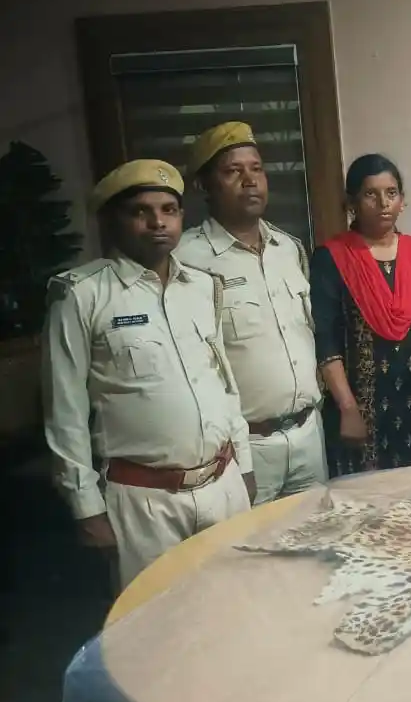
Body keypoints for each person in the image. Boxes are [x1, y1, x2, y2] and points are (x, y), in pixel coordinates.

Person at [42, 160, 253, 588]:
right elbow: (64, 413)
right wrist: (86, 506)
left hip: (222, 483)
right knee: (156, 618)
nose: (158, 222)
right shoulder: (82, 295)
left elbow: (222, 383)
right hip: (144, 501)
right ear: (112, 221)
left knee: (237, 604)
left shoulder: (203, 287)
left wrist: (244, 464)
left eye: (169, 210)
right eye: (141, 211)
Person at [176, 121, 326, 504]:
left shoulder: (288, 248)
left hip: (308, 434)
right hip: (245, 449)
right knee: (253, 542)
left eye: (256, 169)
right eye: (233, 171)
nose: (250, 180)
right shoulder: (186, 260)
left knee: (317, 536)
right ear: (204, 186)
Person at [311, 154, 411, 475]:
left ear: (402, 200)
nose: (383, 203)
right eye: (371, 194)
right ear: (352, 203)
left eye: (391, 193)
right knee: (363, 500)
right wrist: (347, 408)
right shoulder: (331, 258)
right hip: (358, 411)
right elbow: (325, 339)